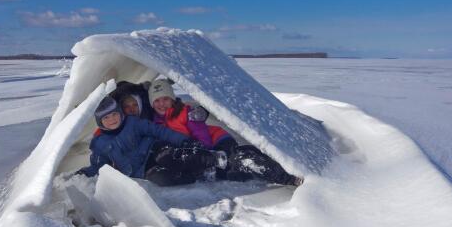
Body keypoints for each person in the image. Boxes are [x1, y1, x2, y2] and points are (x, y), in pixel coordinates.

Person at [148, 79, 303, 186]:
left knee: (240, 160)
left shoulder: (186, 112)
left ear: (172, 99)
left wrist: (207, 154)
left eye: (165, 99)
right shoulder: (155, 122)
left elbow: (203, 136)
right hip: (200, 152)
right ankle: (267, 161)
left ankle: (289, 177)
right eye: (157, 101)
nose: (162, 104)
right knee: (232, 171)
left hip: (216, 141)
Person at [79, 96, 228, 186]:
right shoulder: (99, 143)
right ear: (99, 122)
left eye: (114, 114)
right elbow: (98, 165)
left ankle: (213, 159)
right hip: (141, 170)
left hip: (154, 149)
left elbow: (159, 131)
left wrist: (184, 141)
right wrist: (83, 174)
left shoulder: (133, 123)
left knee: (169, 157)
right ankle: (200, 173)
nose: (112, 119)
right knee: (162, 179)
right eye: (106, 117)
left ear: (120, 113)